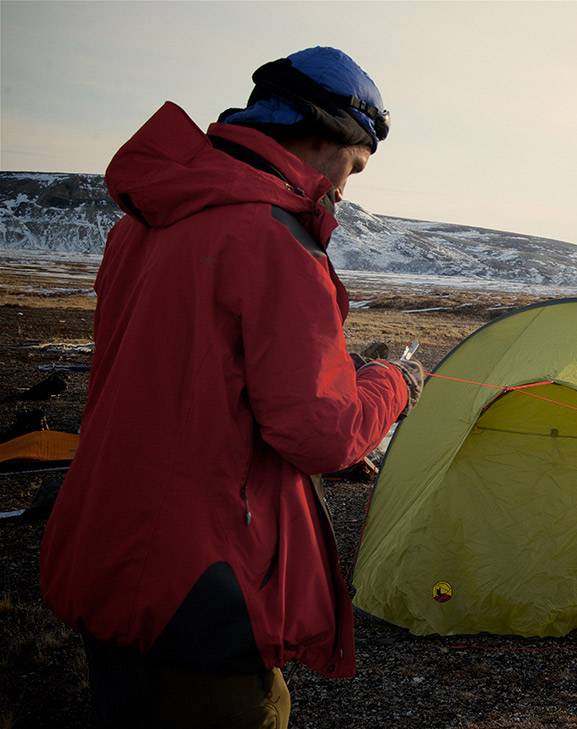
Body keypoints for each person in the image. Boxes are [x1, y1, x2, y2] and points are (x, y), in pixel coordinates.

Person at [38, 47, 423, 729]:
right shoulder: (275, 239)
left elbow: (187, 393)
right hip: (197, 585)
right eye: (354, 166)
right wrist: (390, 383)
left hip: (102, 548)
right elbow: (322, 432)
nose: (346, 187)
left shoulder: (143, 224)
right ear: (318, 133)